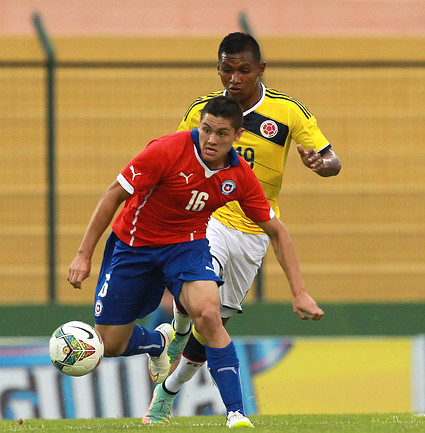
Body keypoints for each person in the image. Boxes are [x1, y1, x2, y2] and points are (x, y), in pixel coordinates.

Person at [67, 95, 314, 428]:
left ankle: (237, 414)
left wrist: (298, 292)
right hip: (134, 248)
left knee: (210, 315)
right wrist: (84, 254)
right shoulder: (166, 151)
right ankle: (158, 341)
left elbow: (277, 232)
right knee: (109, 345)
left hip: (186, 246)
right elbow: (114, 194)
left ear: (237, 136)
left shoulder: (239, 175)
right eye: (206, 129)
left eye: (222, 133)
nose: (211, 139)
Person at [142, 32, 341, 423]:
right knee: (205, 307)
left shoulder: (287, 112)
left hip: (253, 232)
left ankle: (169, 389)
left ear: (260, 70)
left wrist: (322, 164)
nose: (234, 78)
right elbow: (178, 154)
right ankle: (176, 332)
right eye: (227, 70)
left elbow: (331, 157)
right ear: (218, 69)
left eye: (243, 70)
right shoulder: (204, 111)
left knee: (211, 328)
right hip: (207, 217)